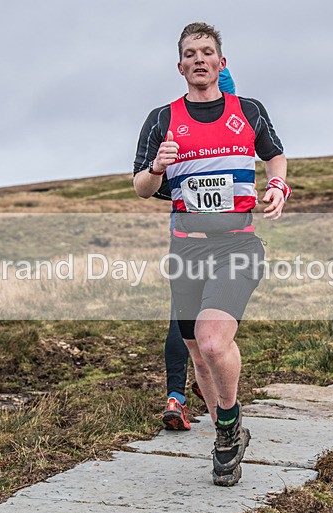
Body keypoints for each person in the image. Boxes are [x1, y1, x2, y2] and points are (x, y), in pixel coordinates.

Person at [133, 22, 288, 486]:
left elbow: (275, 155)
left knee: (215, 340)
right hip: (185, 251)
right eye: (190, 53)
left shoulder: (249, 111)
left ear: (221, 63)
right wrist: (158, 167)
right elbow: (141, 187)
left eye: (207, 52)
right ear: (179, 66)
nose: (199, 59)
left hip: (238, 245)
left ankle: (226, 427)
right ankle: (228, 426)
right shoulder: (162, 119)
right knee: (198, 354)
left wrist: (278, 183)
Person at [157, 68, 237, 431]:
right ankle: (206, 400)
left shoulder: (232, 105)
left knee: (193, 329)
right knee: (200, 333)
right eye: (191, 55)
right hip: (191, 237)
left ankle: (180, 394)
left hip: (215, 237)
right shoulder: (175, 115)